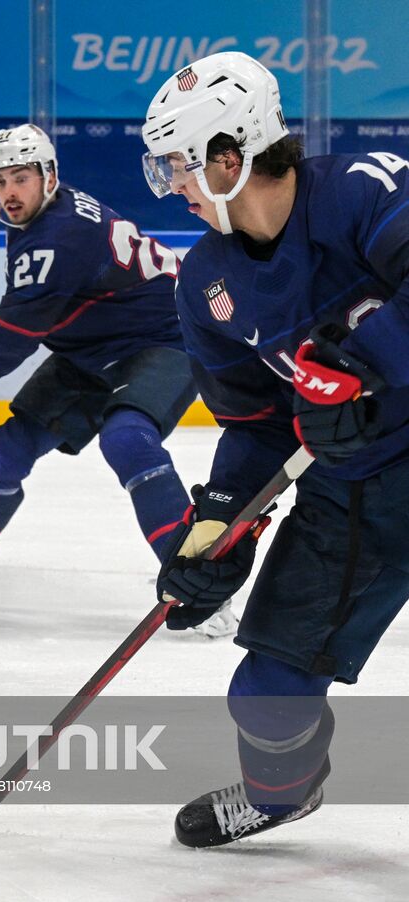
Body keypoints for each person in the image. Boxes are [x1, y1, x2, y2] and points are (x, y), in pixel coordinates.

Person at [143, 51, 409, 846]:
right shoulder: (204, 285)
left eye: (181, 167)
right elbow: (256, 423)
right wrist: (220, 525)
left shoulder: (365, 189)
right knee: (265, 694)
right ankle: (283, 792)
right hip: (354, 490)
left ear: (230, 157)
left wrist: (362, 371)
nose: (176, 187)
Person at [0, 126, 218, 628]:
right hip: (86, 352)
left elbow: (8, 340)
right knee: (3, 452)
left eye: (21, 178)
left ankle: (199, 585)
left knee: (129, 442)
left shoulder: (59, 235)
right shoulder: (43, 217)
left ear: (49, 176)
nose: (9, 193)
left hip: (164, 338)